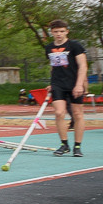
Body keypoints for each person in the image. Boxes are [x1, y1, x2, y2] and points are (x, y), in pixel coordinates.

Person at [42, 19, 88, 157]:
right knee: (59, 113)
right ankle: (64, 144)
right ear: (52, 33)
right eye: (56, 32)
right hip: (58, 84)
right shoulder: (49, 47)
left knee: (77, 114)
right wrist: (52, 83)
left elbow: (83, 66)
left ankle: (77, 146)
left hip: (74, 83)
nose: (59, 34)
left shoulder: (75, 46)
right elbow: (53, 67)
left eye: (62, 31)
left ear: (66, 31)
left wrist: (79, 84)